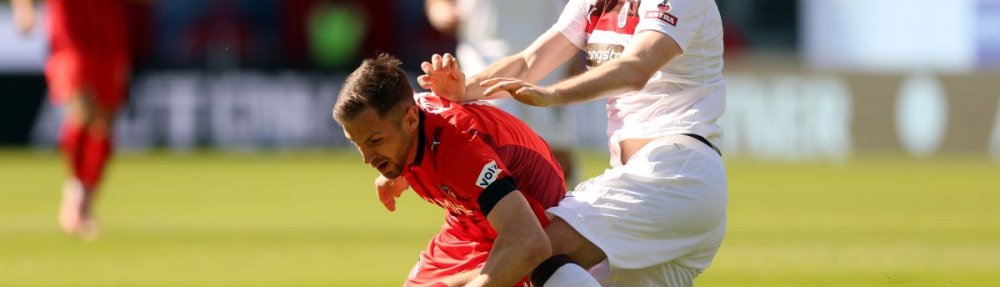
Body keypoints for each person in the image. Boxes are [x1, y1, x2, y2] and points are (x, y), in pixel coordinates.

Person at [419, 0, 728, 285]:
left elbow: (637, 68)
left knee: (532, 252)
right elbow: (530, 62)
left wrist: (553, 95)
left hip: (675, 171)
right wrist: (465, 90)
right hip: (647, 182)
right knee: (551, 269)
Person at [332, 54, 601, 287]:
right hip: (471, 223)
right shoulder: (406, 121)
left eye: (375, 142)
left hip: (526, 223)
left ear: (411, 119)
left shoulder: (459, 150)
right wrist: (396, 172)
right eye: (357, 143)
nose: (367, 158)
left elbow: (530, 242)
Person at [424, 0, 581, 184]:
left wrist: (574, 53)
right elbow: (438, 4)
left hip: (545, 61)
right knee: (489, 151)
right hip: (483, 64)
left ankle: (561, 207)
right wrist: (443, 13)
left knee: (556, 157)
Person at [12, 0, 132, 239]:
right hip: (69, 37)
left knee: (104, 124)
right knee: (82, 113)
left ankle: (85, 198)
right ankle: (75, 197)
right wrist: (24, 9)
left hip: (110, 36)